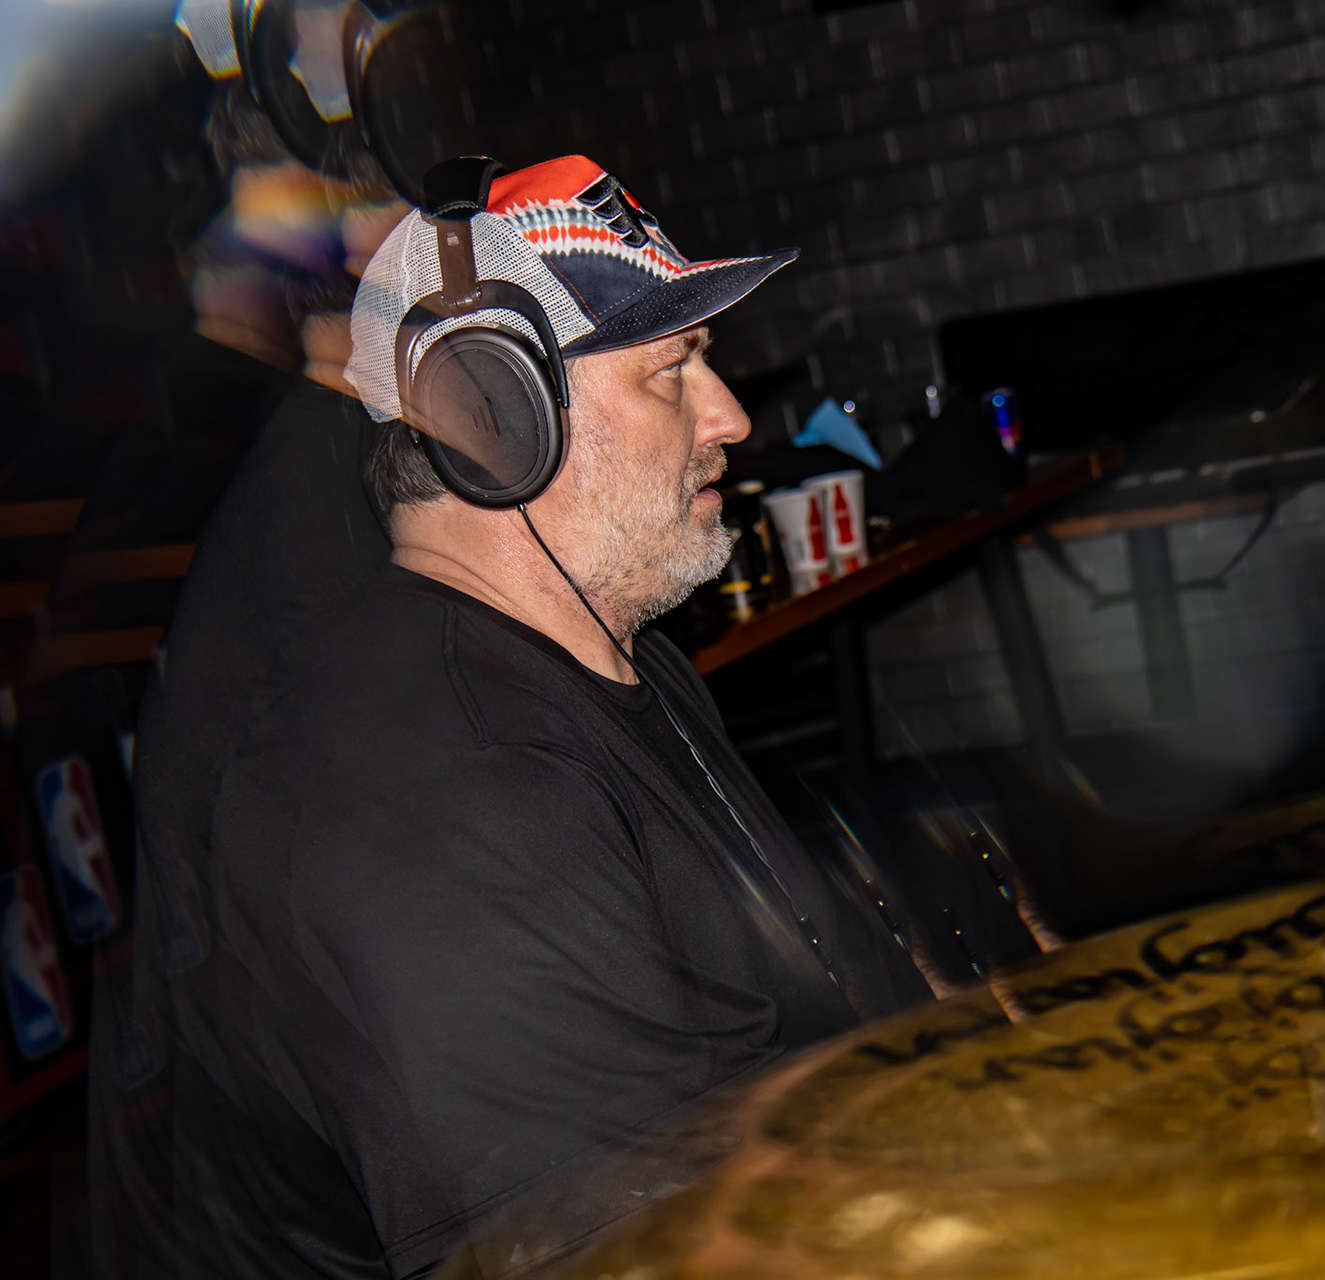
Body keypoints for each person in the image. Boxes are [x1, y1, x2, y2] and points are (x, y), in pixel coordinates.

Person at [120, 154, 929, 1280]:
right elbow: (613, 1252)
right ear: (495, 415)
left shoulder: (618, 654)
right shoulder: (441, 793)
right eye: (673, 369)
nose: (733, 415)